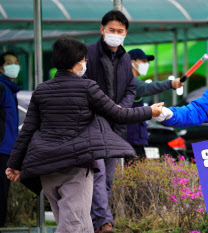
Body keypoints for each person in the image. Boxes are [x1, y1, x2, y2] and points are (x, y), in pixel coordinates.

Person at [5, 36, 163, 233]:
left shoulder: (41, 90)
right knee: (72, 226)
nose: (86, 63)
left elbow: (27, 130)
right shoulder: (87, 88)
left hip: (46, 168)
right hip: (76, 166)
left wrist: (14, 164)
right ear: (76, 62)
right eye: (84, 60)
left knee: (81, 224)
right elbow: (118, 114)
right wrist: (150, 111)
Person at [83, 10, 137, 233]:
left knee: (107, 179)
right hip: (93, 123)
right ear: (102, 29)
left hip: (116, 126)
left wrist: (122, 107)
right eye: (111, 30)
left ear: (125, 34)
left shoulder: (125, 58)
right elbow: (83, 85)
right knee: (98, 175)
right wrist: (106, 106)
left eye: (120, 31)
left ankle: (97, 223)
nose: (115, 34)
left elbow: (131, 88)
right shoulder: (88, 52)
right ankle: (104, 222)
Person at [126, 48, 184, 159]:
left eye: (147, 61)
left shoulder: (131, 81)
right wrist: (170, 83)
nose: (146, 64)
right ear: (132, 62)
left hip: (134, 137)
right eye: (143, 61)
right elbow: (148, 88)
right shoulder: (130, 81)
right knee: (136, 173)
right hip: (131, 138)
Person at [0, 51, 21, 228]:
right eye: (9, 63)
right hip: (1, 149)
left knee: (4, 192)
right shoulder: (1, 87)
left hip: (7, 149)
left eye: (16, 62)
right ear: (1, 67)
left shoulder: (9, 88)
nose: (13, 65)